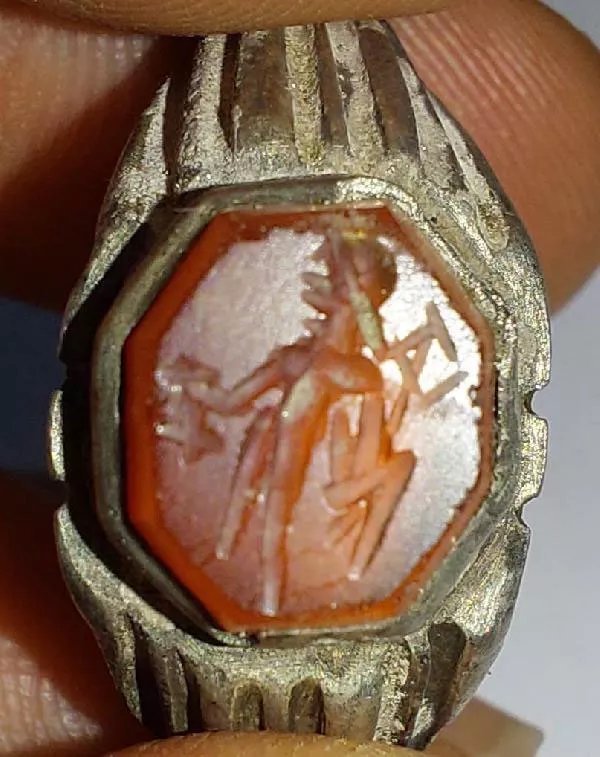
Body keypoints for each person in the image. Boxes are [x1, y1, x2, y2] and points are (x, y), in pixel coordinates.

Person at [0, 0, 599, 755]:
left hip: (303, 541)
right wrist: (188, 402)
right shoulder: (300, 357)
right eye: (325, 288)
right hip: (248, 526)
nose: (321, 294)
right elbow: (235, 404)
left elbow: (383, 438)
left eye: (337, 288)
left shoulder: (359, 365)